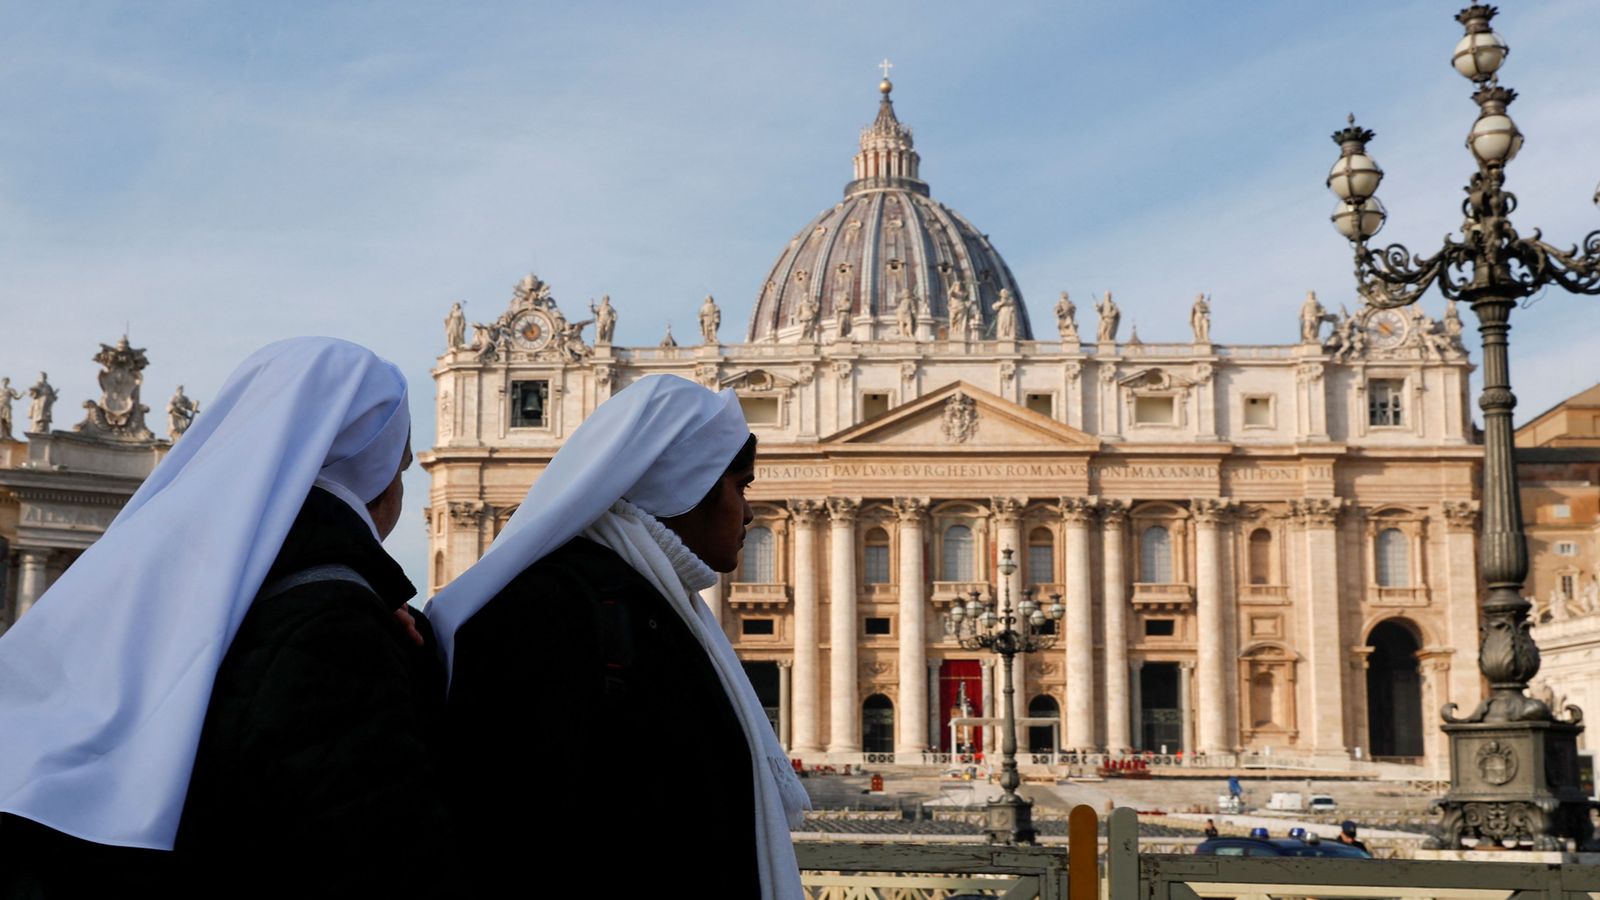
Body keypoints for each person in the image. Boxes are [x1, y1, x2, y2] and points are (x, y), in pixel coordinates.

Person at [0, 338, 455, 898]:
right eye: (401, 466)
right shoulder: (339, 628)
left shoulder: (140, 572)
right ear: (378, 474)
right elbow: (386, 864)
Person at [429, 374, 809, 900]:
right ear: (687, 485)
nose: (748, 512)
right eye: (740, 486)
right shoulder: (563, 610)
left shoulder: (657, 603)